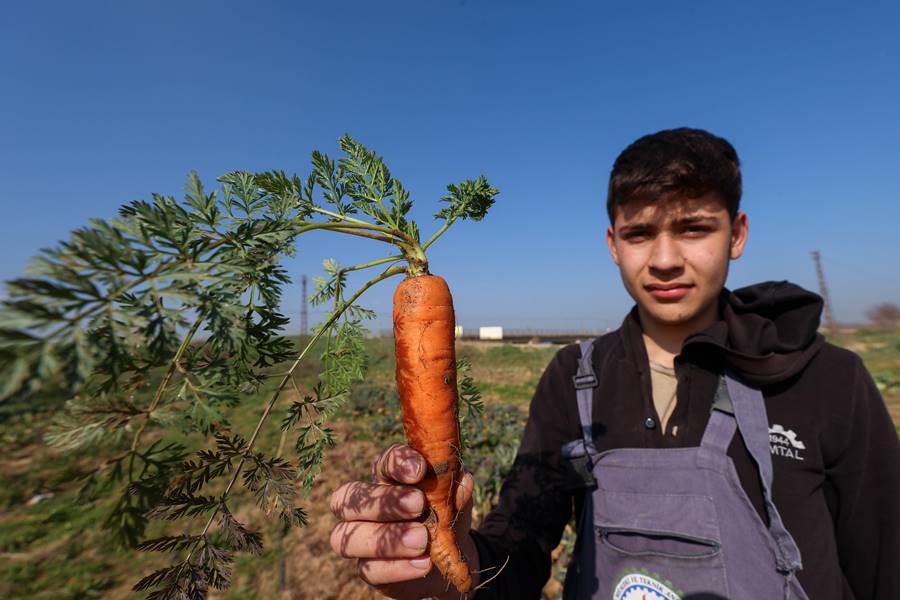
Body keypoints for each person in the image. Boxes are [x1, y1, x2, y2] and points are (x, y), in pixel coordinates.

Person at [328, 128, 900, 599]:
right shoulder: (574, 378)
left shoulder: (829, 380)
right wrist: (459, 565)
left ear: (737, 234)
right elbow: (522, 548)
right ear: (612, 243)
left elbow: (883, 568)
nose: (666, 259)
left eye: (694, 227)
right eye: (640, 233)